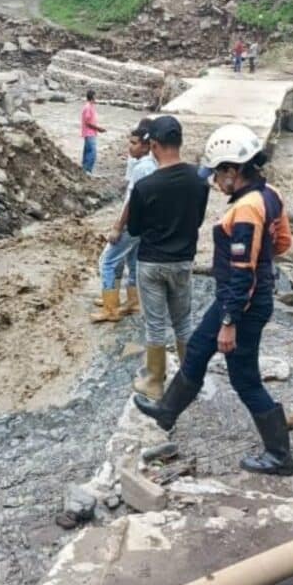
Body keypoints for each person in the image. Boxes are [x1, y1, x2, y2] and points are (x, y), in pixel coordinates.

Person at [135, 124, 293, 476]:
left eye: (218, 173)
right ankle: (167, 411)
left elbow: (241, 273)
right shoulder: (270, 194)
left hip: (241, 305)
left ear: (233, 170)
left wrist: (230, 322)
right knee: (196, 351)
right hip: (239, 297)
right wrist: (263, 262)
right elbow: (283, 243)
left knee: (245, 379)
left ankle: (280, 455)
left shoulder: (246, 210)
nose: (214, 182)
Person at [126, 116, 209, 400]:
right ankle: (189, 380)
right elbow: (197, 220)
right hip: (183, 261)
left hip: (151, 262)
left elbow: (134, 229)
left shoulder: (146, 186)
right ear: (180, 142)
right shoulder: (199, 180)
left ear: (155, 145)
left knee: (155, 324)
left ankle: (154, 381)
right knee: (183, 322)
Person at [91, 119, 157, 323]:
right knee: (133, 260)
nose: (130, 147)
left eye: (134, 143)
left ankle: (110, 308)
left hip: (132, 223)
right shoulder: (152, 165)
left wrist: (118, 226)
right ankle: (133, 300)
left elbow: (131, 200)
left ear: (146, 146)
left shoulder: (141, 168)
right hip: (144, 224)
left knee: (108, 261)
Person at [81, 90, 106, 174]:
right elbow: (87, 122)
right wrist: (99, 129)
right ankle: (87, 170)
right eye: (95, 96)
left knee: (87, 151)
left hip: (90, 133)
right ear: (93, 97)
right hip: (89, 133)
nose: (96, 98)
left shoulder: (90, 106)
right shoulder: (88, 107)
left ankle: (84, 170)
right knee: (92, 153)